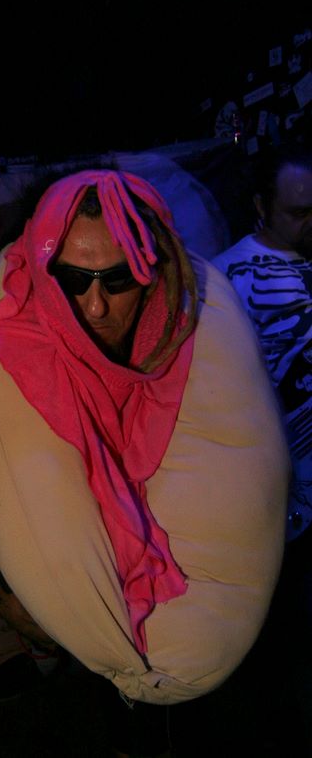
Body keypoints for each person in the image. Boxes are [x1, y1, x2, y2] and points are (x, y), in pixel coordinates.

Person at [0, 169, 290, 757]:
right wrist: (2, 566)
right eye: (73, 279)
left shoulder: (179, 340)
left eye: (119, 279)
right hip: (90, 591)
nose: (94, 305)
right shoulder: (9, 339)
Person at [212, 139, 312, 752]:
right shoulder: (223, 281)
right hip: (280, 510)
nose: (311, 223)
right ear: (260, 206)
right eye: (298, 211)